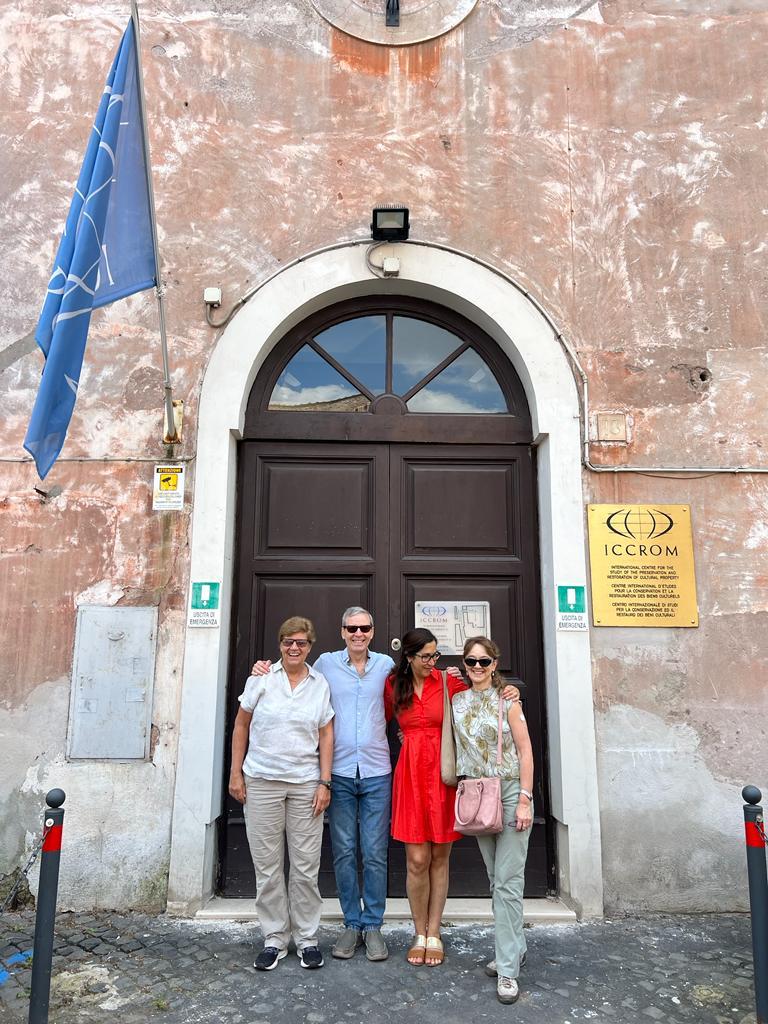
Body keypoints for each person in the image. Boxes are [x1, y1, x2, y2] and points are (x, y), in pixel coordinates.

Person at [252, 607, 395, 962]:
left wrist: (451, 673)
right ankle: (351, 924)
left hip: (377, 770)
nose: (358, 633)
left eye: (365, 628)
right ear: (342, 631)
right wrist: (262, 667)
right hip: (341, 773)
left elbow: (421, 681)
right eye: (352, 628)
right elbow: (290, 661)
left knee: (375, 853)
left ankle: (373, 925)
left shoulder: (387, 666)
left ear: (373, 631)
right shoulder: (327, 665)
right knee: (344, 852)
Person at [384, 628, 519, 967]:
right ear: (410, 657)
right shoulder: (392, 686)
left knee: (440, 858)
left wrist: (509, 691)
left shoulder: (448, 683)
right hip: (411, 774)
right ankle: (418, 932)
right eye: (426, 656)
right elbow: (379, 720)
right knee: (416, 859)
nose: (433, 662)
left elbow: (482, 694)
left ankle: (434, 932)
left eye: (435, 655)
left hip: (443, 776)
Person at [229, 616, 334, 972]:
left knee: (305, 867)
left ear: (310, 646)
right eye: (288, 641)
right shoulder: (261, 679)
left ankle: (307, 938)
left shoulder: (320, 684)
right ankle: (275, 938)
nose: (294, 648)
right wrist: (235, 774)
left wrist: (324, 782)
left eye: (301, 643)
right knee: (268, 867)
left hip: (305, 783)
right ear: (280, 644)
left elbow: (326, 734)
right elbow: (241, 724)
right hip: (261, 781)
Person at [451, 636, 534, 1005]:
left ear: (495, 663)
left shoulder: (509, 701)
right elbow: (423, 676)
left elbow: (526, 751)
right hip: (477, 794)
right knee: (494, 879)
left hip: (512, 791)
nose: (478, 668)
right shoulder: (457, 700)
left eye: (484, 662)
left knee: (508, 882)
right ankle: (514, 947)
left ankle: (507, 970)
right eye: (471, 662)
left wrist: (526, 801)